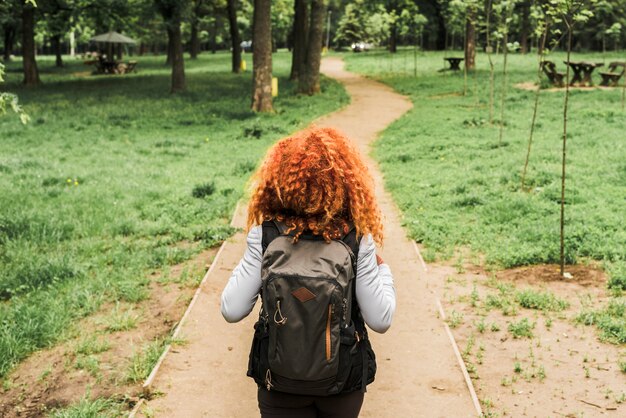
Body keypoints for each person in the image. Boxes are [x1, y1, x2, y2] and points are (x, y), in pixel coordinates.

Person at [221, 127, 396, 418]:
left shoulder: (265, 235)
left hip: (278, 382)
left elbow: (231, 309)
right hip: (342, 383)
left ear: (279, 179)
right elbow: (381, 319)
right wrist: (384, 270)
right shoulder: (356, 237)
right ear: (345, 181)